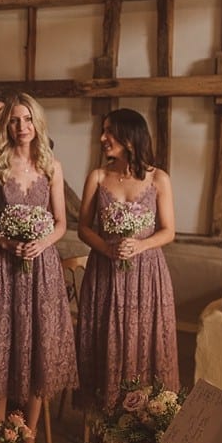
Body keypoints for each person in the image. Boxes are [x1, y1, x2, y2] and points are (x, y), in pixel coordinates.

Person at [0, 92, 77, 438]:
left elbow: (61, 222)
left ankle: (27, 436)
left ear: (37, 123)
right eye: (14, 120)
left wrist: (42, 243)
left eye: (27, 119)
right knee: (0, 340)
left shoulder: (51, 166)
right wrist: (4, 241)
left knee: (38, 342)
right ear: (4, 125)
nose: (21, 127)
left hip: (42, 268)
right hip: (1, 264)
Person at [74, 108, 178, 412]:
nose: (103, 138)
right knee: (106, 335)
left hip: (147, 273)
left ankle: (148, 411)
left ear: (130, 137)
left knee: (144, 338)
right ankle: (105, 411)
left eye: (109, 131)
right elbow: (82, 227)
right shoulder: (98, 176)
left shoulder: (159, 178)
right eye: (103, 130)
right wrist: (107, 249)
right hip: (105, 271)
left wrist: (140, 245)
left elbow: (169, 230)